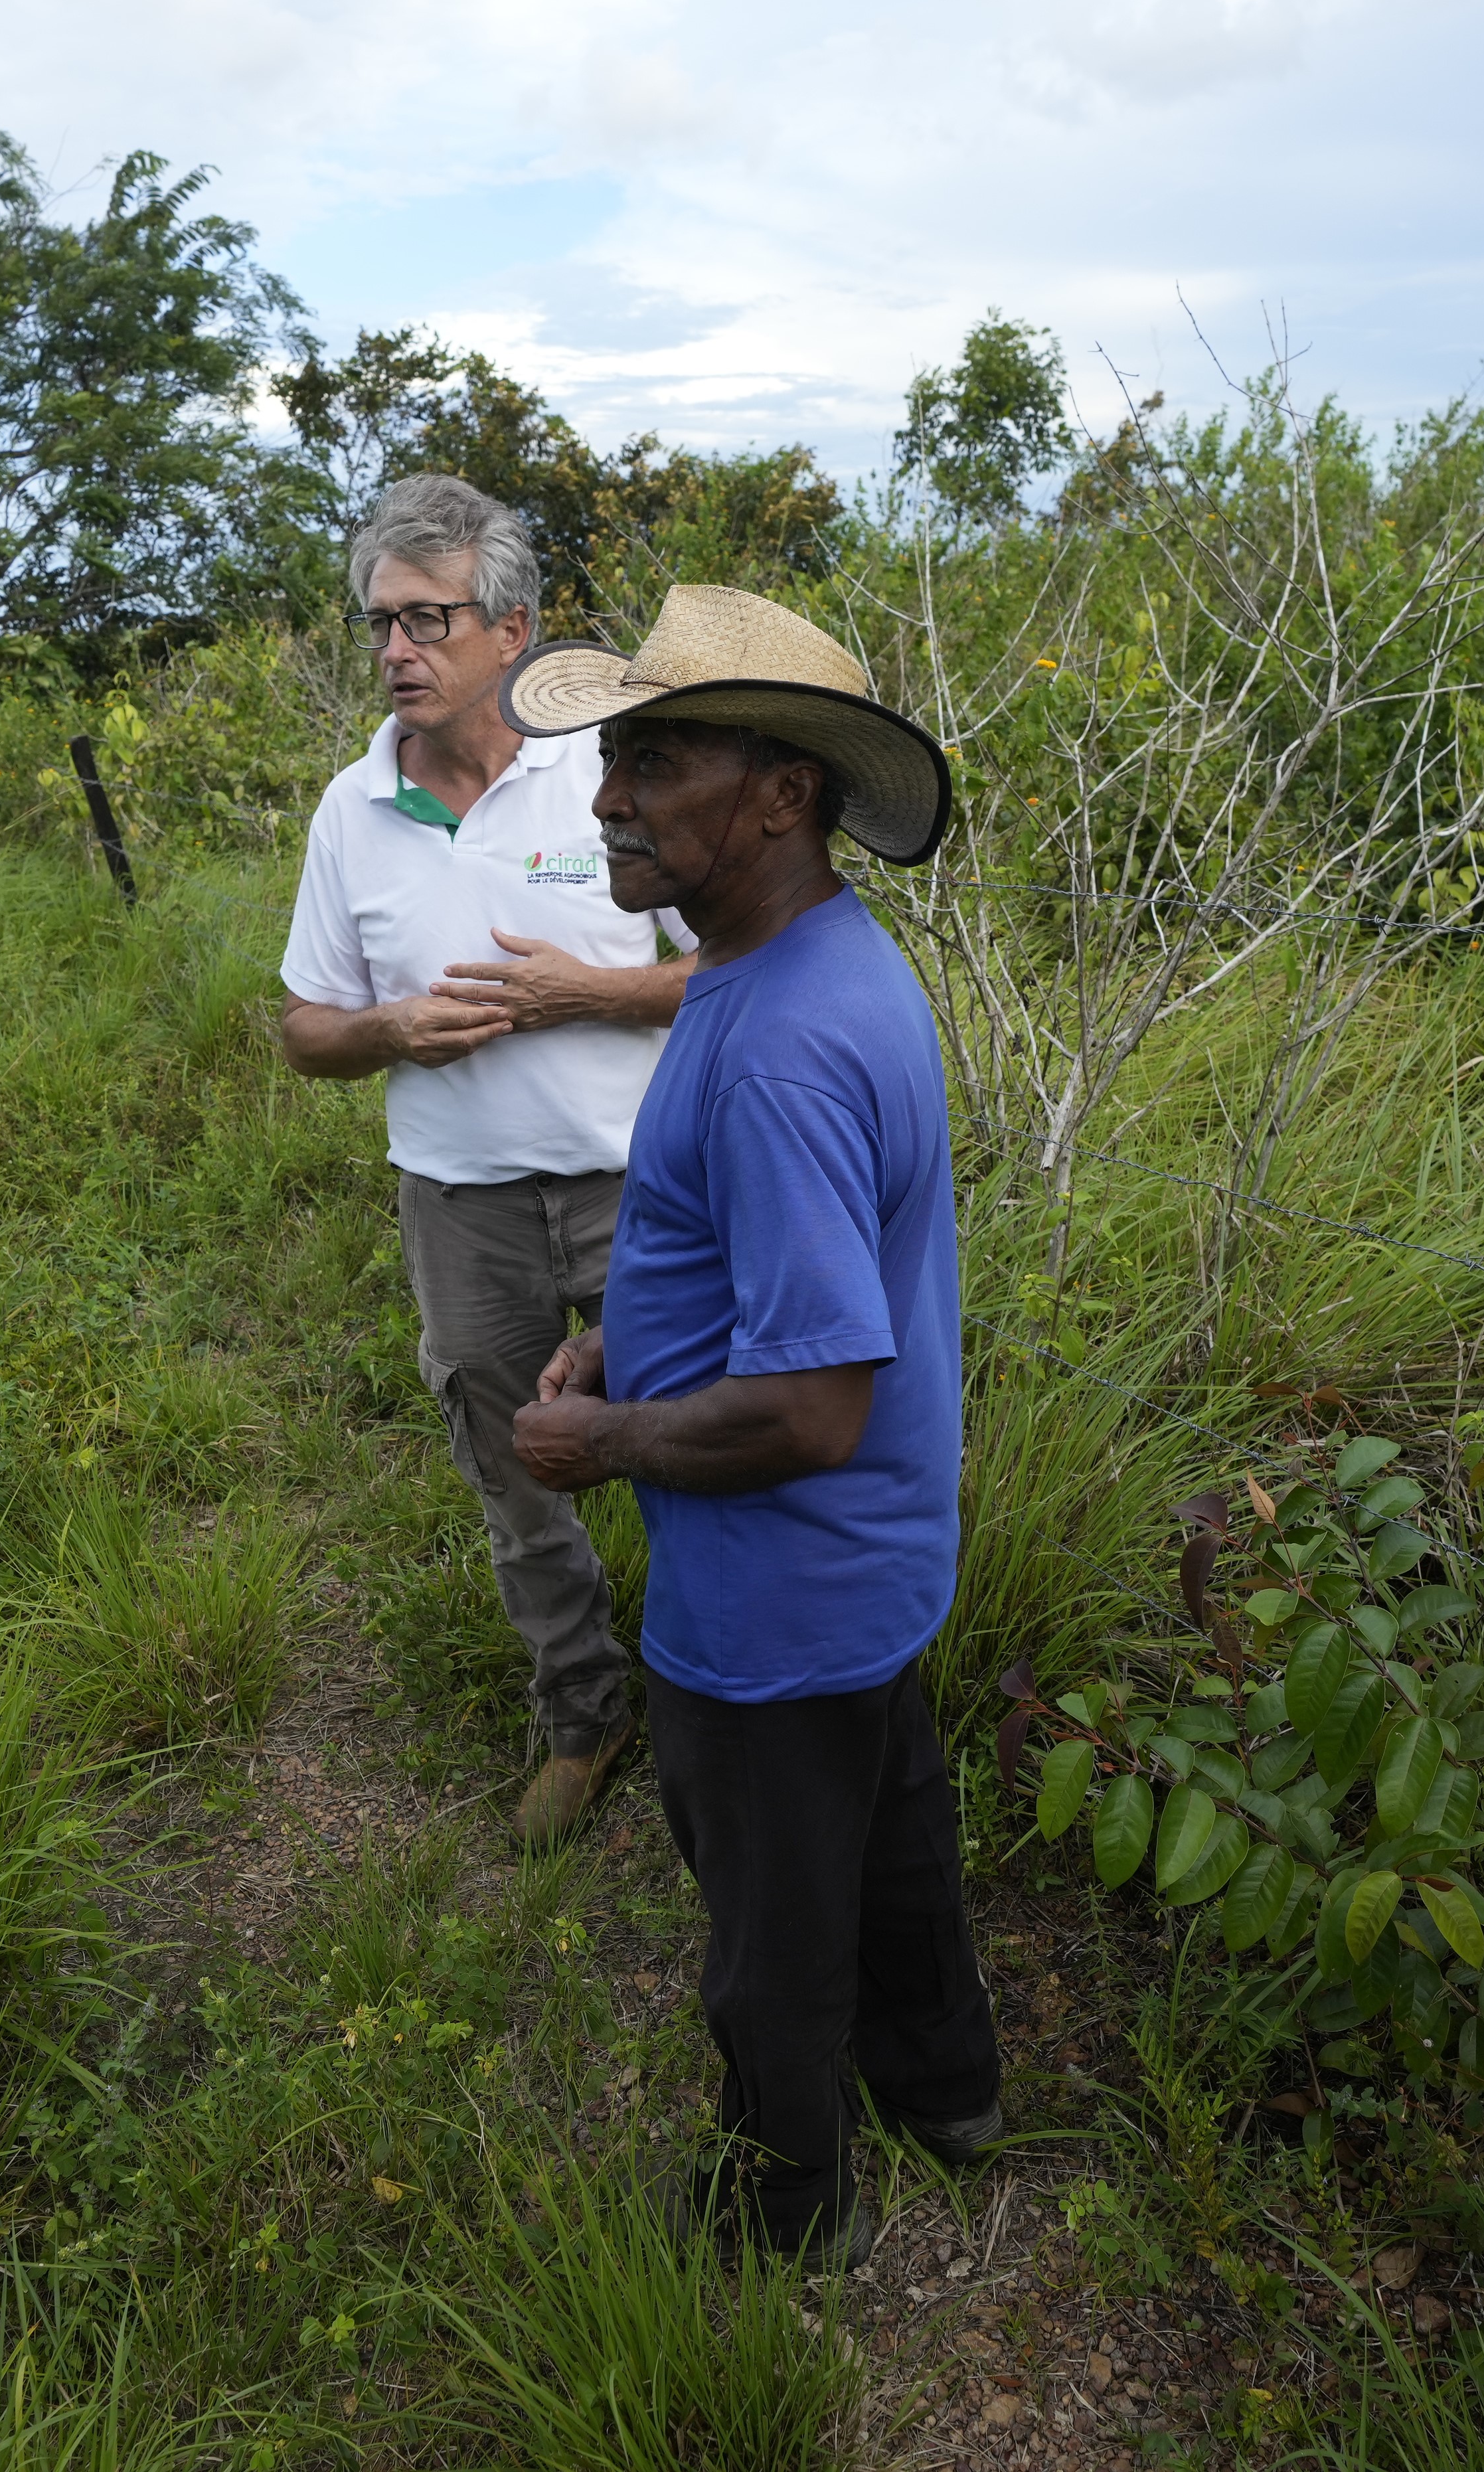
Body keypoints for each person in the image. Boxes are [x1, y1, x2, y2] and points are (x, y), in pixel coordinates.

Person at [503, 585, 1001, 2268]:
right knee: (891, 1833)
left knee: (770, 1925)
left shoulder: (783, 1043)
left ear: (782, 794)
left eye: (655, 758)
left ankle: (781, 2206)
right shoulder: (801, 961)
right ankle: (950, 2093)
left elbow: (806, 1404)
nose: (606, 797)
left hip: (774, 1590)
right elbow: (769, 1277)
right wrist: (617, 1355)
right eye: (614, 756)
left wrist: (605, 1446)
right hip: (866, 1578)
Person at [276, 474, 694, 1846]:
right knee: (520, 1473)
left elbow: (741, 967)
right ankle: (587, 1713)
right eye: (379, 623)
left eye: (425, 620)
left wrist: (598, 994)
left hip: (645, 1187)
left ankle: (723, 1705)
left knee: (696, 1444)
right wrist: (390, 1027)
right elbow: (305, 1029)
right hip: (460, 1206)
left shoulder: (610, 773)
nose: (395, 650)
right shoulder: (354, 813)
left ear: (511, 630)